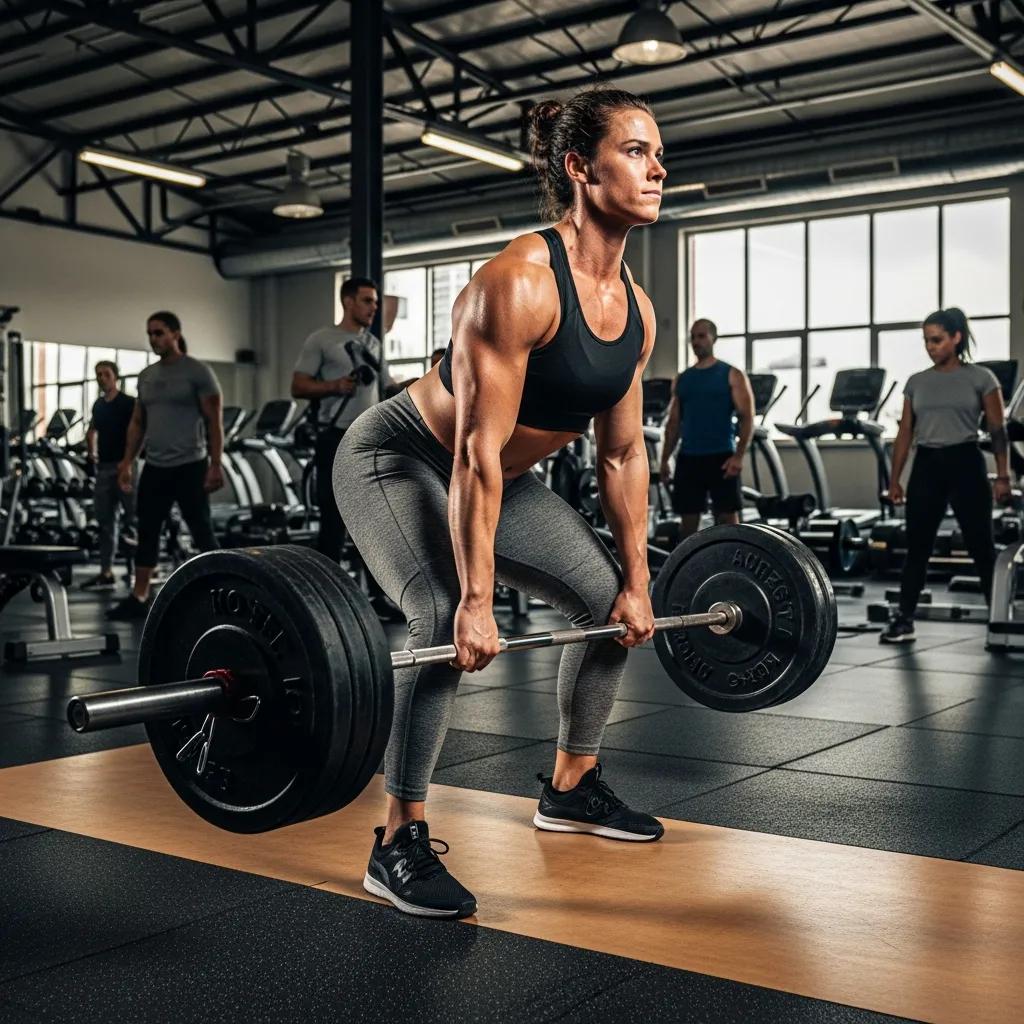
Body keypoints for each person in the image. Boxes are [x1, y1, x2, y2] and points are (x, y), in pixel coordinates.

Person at [335, 87, 666, 920]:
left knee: (600, 603)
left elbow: (623, 453)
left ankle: (571, 785)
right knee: (442, 615)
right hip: (399, 458)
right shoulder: (517, 284)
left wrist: (638, 579)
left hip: (500, 480)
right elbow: (474, 453)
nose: (657, 166)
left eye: (658, 152)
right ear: (579, 170)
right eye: (635, 150)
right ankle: (398, 838)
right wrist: (479, 603)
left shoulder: (637, 312)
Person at [882, 308, 1009, 644]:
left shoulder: (982, 378)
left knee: (981, 545)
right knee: (918, 547)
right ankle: (904, 619)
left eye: (936, 339)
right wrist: (894, 480)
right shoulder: (916, 382)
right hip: (927, 465)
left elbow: (997, 430)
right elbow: (905, 434)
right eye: (926, 340)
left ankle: (999, 621)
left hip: (966, 461)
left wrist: (1004, 476)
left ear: (956, 338)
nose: (930, 346)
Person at [107, 312, 223, 620]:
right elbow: (137, 423)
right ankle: (139, 595)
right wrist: (127, 462)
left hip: (191, 464)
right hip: (156, 466)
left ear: (175, 333)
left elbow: (214, 420)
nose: (154, 339)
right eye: (150, 334)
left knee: (201, 529)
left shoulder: (197, 372)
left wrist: (216, 463)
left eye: (159, 333)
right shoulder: (147, 376)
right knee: (147, 530)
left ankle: (223, 589)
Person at [291, 278, 388, 562]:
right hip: (334, 437)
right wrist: (334, 386)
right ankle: (328, 594)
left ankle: (376, 596)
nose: (374, 307)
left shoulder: (373, 343)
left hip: (368, 439)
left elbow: (388, 386)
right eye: (367, 300)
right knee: (333, 519)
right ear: (348, 302)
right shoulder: (322, 339)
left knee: (372, 520)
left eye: (376, 301)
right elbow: (298, 386)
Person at [659, 319, 754, 537]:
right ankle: (691, 568)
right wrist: (664, 459)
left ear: (714, 338)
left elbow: (747, 417)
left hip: (722, 457)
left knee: (728, 522)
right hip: (689, 457)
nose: (696, 341)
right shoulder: (683, 379)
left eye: (701, 336)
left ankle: (733, 567)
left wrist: (738, 456)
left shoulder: (732, 374)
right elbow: (674, 424)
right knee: (688, 524)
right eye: (693, 337)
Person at [81, 361, 136, 590]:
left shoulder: (129, 403)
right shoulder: (98, 405)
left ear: (116, 377)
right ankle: (106, 571)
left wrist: (128, 463)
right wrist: (91, 451)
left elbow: (138, 432)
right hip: (104, 469)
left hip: (126, 467)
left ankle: (137, 573)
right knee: (105, 522)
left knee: (134, 520)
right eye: (98, 375)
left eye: (106, 374)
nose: (101, 378)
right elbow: (92, 429)